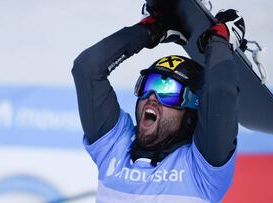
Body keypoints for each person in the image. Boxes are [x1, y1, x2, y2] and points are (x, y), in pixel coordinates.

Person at [72, 1, 245, 202]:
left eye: (168, 90)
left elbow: (220, 92)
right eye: (148, 85)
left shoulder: (202, 171)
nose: (152, 97)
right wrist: (152, 28)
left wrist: (219, 41)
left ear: (192, 108)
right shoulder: (114, 147)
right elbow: (87, 69)